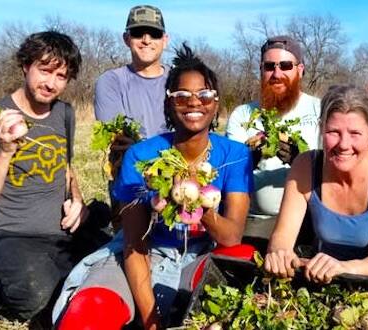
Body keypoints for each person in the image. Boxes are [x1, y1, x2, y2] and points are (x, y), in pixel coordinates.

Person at [53, 44, 253, 329]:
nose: (194, 103)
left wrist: (196, 204)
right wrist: (151, 321)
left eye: (204, 95)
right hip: (141, 257)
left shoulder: (234, 155)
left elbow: (231, 237)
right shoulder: (142, 155)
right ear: (169, 103)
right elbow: (135, 243)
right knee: (89, 312)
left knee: (243, 259)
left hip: (198, 257)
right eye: (182, 96)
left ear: (216, 102)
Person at [0, 31, 86, 323]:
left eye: (61, 76)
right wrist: (5, 150)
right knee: (40, 303)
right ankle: (3, 278)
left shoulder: (65, 114)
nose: (51, 83)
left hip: (60, 234)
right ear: (25, 65)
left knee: (107, 273)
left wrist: (78, 200)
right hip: (9, 235)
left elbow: (67, 167)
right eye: (44, 70)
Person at [264, 85, 368, 283]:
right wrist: (280, 254)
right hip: (331, 280)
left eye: (355, 133)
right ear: (321, 128)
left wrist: (344, 268)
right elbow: (282, 236)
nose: (344, 144)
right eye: (334, 132)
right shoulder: (305, 166)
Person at [226, 35, 321, 220]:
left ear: (300, 70)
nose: (277, 74)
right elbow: (229, 174)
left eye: (285, 66)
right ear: (261, 70)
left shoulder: (319, 110)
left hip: (308, 219)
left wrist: (300, 161)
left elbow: (334, 169)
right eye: (269, 67)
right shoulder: (243, 114)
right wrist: (248, 160)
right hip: (254, 218)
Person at [94, 4, 170, 138]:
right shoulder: (111, 82)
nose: (146, 40)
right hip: (130, 159)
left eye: (154, 34)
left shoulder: (180, 81)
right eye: (138, 33)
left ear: (165, 40)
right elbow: (117, 140)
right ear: (126, 39)